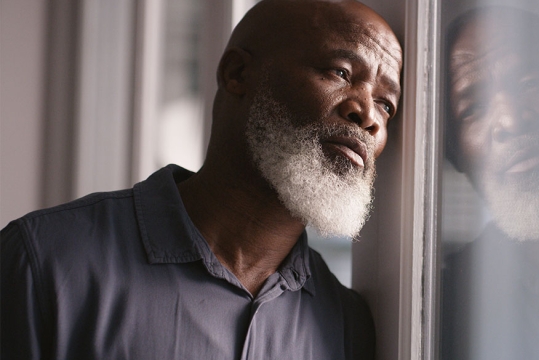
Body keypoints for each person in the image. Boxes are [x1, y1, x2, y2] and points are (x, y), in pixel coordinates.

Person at [1, 0, 401, 359]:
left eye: (386, 104)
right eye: (341, 72)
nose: (367, 115)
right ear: (237, 73)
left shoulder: (347, 325)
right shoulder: (46, 261)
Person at [440, 7, 539, 360]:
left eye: (531, 83)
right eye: (473, 109)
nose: (512, 120)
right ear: (455, 155)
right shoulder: (443, 308)